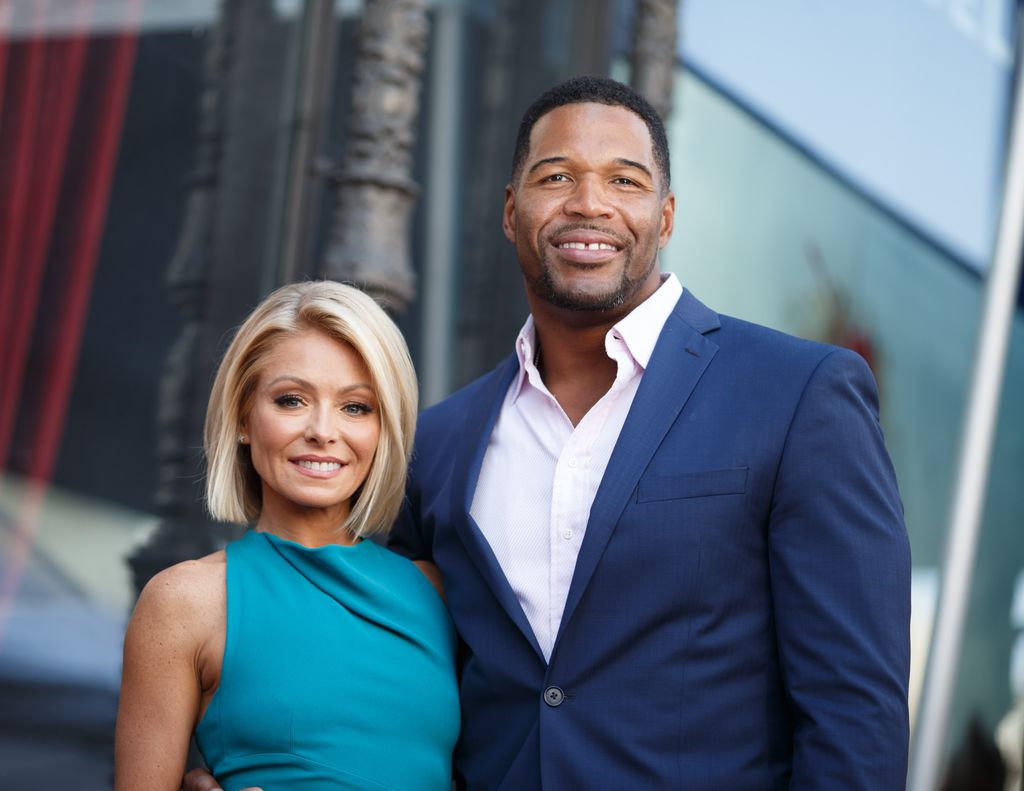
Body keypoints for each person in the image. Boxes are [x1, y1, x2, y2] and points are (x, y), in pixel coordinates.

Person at [187, 76, 911, 790]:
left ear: (664, 217)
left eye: (624, 180)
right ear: (511, 210)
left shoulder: (798, 394)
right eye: (556, 175)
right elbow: (389, 679)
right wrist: (242, 764)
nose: (589, 204)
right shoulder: (440, 443)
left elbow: (855, 709)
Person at [115, 281, 460, 791]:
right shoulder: (185, 602)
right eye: (292, 400)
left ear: (384, 428)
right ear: (243, 418)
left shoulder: (435, 591)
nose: (323, 430)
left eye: (356, 407)